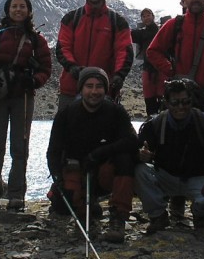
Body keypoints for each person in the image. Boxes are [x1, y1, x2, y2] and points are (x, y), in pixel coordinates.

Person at [0, 0, 52, 213]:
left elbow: (46, 68)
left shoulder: (36, 38)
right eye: (14, 6)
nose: (18, 10)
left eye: (22, 6)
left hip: (23, 96)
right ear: (8, 10)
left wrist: (34, 81)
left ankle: (16, 195)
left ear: (28, 11)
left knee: (20, 147)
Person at [45, 67, 138, 243]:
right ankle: (84, 211)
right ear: (81, 89)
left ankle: (118, 217)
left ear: (105, 89)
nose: (94, 92)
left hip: (104, 170)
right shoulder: (67, 114)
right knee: (63, 205)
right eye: (89, 86)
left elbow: (132, 141)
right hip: (77, 170)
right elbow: (53, 152)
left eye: (99, 87)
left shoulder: (115, 111)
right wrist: (58, 177)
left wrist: (99, 153)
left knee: (125, 159)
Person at [134, 78, 204, 234]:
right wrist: (140, 155)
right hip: (166, 177)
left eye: (185, 102)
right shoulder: (156, 124)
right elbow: (135, 149)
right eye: (175, 103)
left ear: (191, 101)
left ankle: (200, 215)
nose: (181, 107)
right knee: (140, 171)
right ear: (166, 103)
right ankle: (158, 215)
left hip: (199, 179)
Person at [55, 0, 134, 107]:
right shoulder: (71, 19)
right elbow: (63, 46)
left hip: (103, 91)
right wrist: (72, 67)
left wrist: (119, 75)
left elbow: (124, 50)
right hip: (71, 89)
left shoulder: (117, 22)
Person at [131, 7, 162, 116]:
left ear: (153, 16)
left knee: (162, 98)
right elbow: (125, 34)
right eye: (143, 16)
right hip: (148, 70)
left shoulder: (161, 30)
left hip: (161, 70)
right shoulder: (141, 33)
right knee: (149, 99)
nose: (146, 18)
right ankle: (152, 122)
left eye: (148, 15)